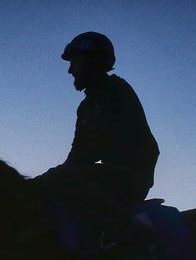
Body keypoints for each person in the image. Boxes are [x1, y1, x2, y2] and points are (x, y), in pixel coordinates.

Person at [37, 31, 159, 211]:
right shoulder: (87, 105)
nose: (70, 70)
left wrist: (50, 178)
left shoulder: (116, 90)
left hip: (130, 178)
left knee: (59, 182)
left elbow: (87, 152)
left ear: (92, 61)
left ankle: (126, 231)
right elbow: (78, 152)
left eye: (74, 62)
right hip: (111, 174)